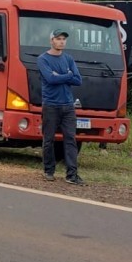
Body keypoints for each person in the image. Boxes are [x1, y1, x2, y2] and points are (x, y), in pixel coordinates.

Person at [37, 29, 84, 185]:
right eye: (58, 38)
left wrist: (61, 76)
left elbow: (78, 80)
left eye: (64, 39)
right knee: (48, 139)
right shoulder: (43, 59)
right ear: (51, 41)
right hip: (51, 105)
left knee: (71, 139)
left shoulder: (69, 58)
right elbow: (50, 79)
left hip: (68, 106)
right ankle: (48, 171)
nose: (61, 41)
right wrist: (68, 75)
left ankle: (72, 174)